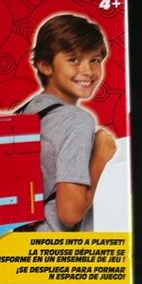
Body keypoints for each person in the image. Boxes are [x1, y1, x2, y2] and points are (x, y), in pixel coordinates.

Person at [18, 14, 117, 231]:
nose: (88, 71)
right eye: (74, 60)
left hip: (26, 240)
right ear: (45, 65)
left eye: (95, 60)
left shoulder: (30, 109)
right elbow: (70, 214)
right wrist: (99, 157)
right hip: (59, 246)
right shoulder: (76, 121)